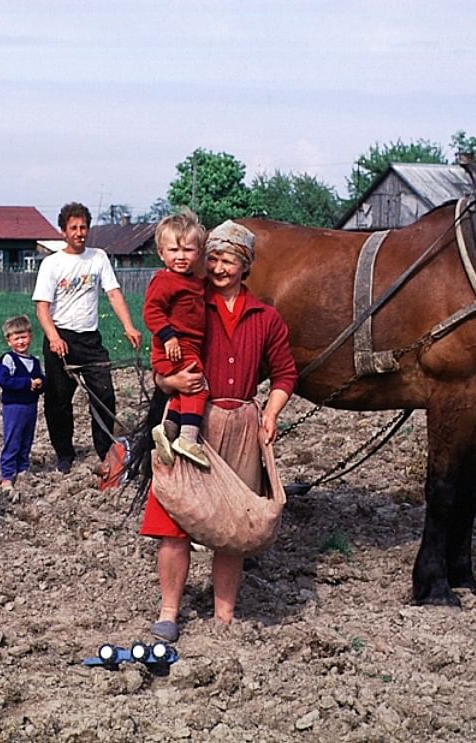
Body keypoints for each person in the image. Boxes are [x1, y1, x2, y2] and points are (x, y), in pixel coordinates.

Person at [139, 220, 297, 642]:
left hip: (243, 425)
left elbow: (284, 374)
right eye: (213, 258)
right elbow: (162, 358)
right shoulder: (190, 302)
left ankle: (223, 617)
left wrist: (271, 413)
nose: (219, 267)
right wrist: (168, 384)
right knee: (173, 519)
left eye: (229, 259)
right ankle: (169, 612)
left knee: (232, 526)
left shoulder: (265, 317)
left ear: (245, 265)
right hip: (193, 416)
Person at [32, 202, 143, 473]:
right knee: (58, 401)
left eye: (83, 227)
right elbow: (42, 308)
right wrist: (54, 338)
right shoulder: (52, 263)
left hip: (90, 340)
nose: (79, 233)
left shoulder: (98, 257)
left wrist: (129, 325)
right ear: (63, 231)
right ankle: (64, 454)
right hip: (61, 338)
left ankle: (106, 452)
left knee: (104, 394)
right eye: (73, 228)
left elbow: (113, 293)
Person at [143, 210, 210, 469]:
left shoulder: (194, 282)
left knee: (184, 390)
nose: (181, 257)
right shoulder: (164, 280)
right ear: (161, 253)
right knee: (198, 386)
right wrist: (168, 336)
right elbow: (151, 311)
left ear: (198, 252)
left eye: (188, 250)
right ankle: (188, 438)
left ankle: (168, 427)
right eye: (174, 250)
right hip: (176, 346)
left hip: (186, 345)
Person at [0, 315, 45, 492]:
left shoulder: (34, 361)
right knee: (12, 440)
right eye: (16, 338)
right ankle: (7, 476)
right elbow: (4, 380)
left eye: (24, 337)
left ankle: (23, 468)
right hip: (14, 406)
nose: (21, 341)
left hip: (30, 406)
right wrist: (27, 384)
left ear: (30, 337)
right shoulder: (9, 359)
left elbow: (41, 380)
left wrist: (41, 384)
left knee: (27, 439)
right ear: (9, 341)